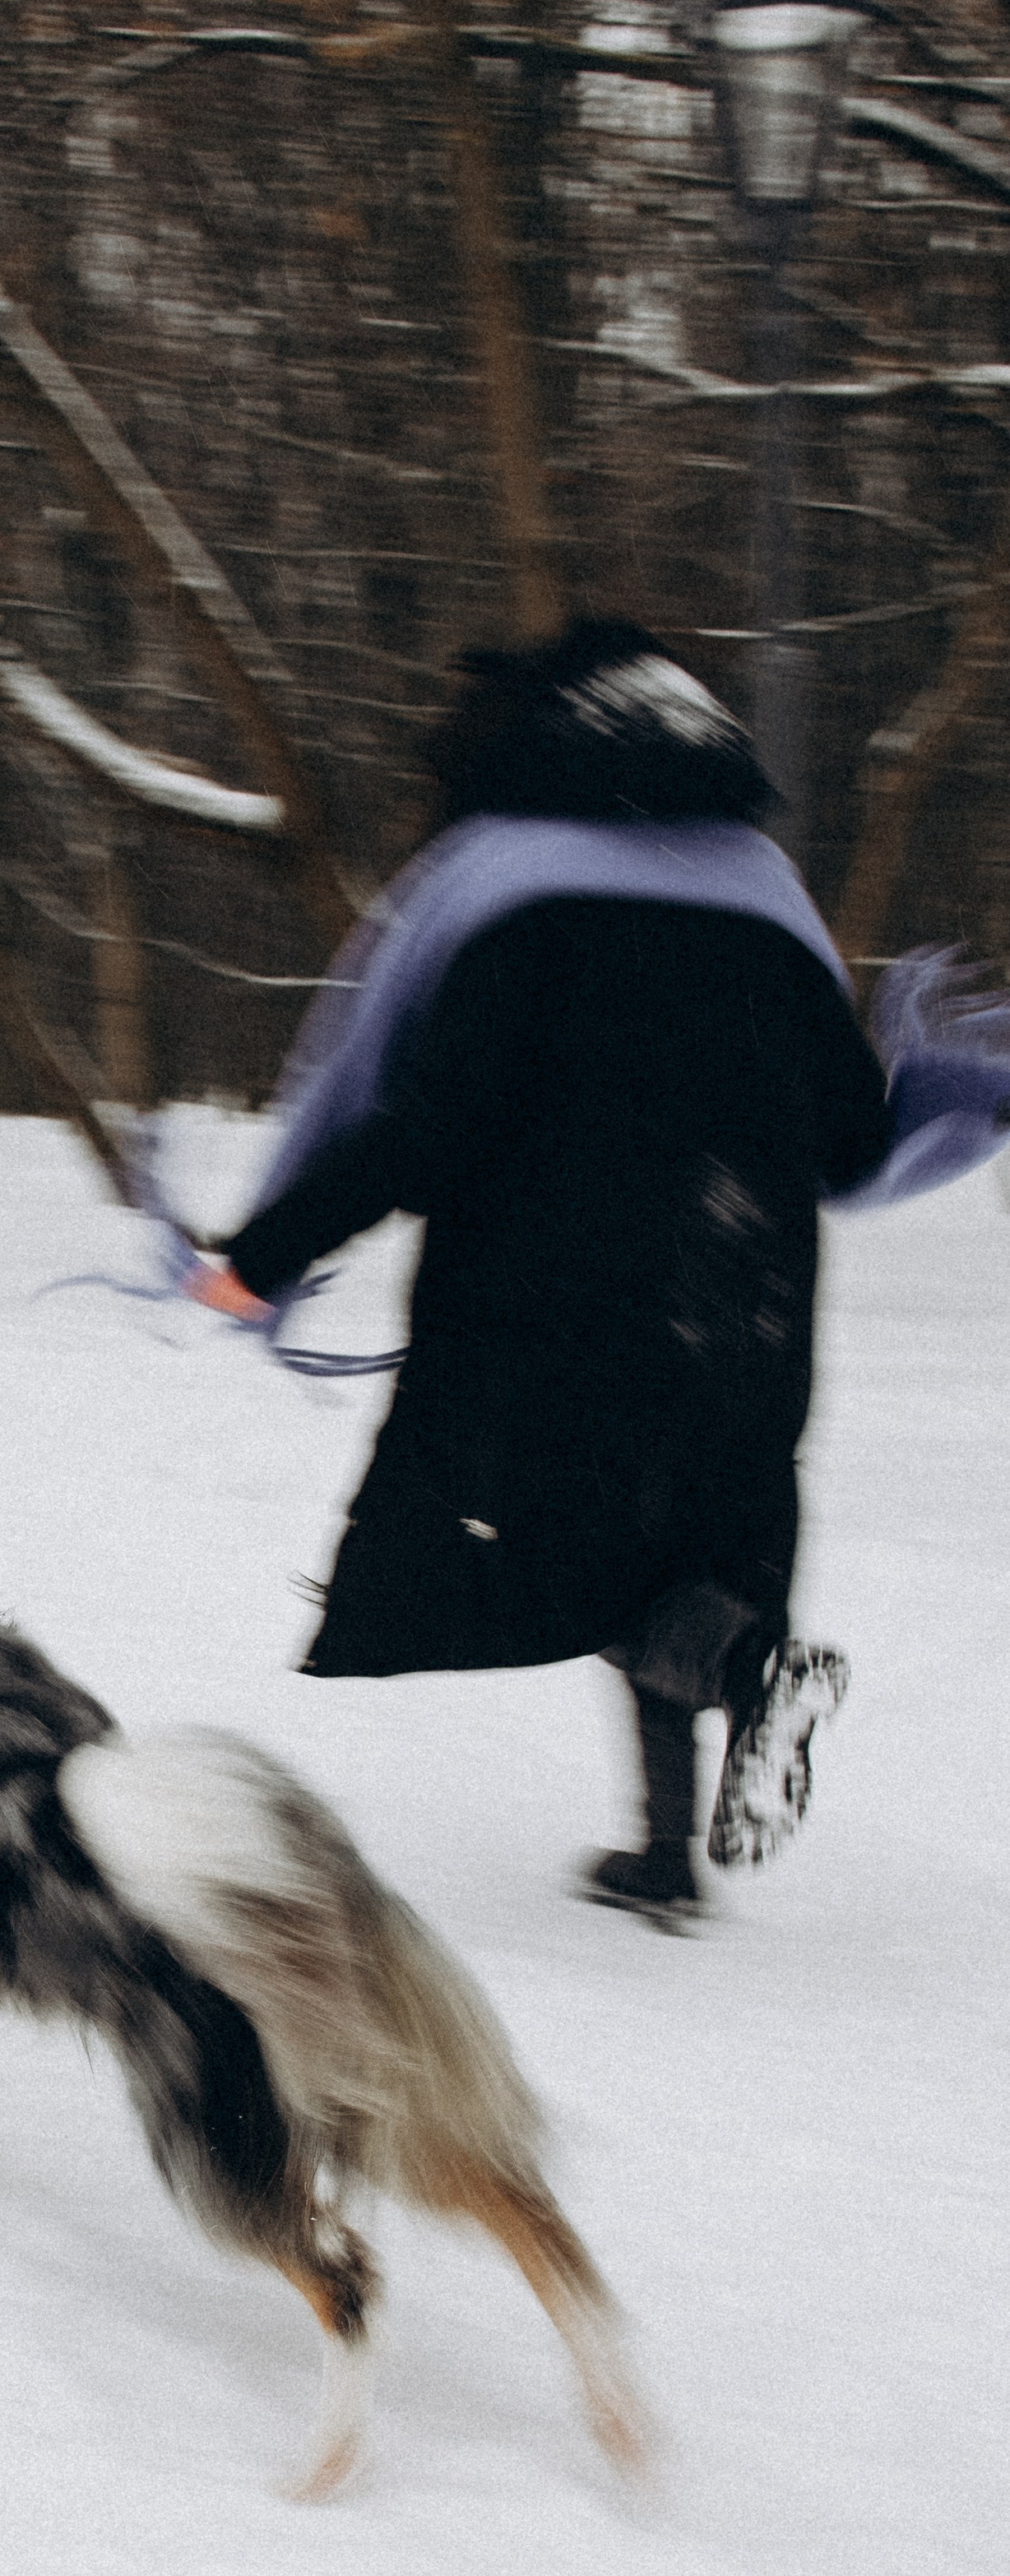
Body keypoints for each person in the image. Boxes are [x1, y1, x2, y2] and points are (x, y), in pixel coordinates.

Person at [192, 618, 901, 1925]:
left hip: (556, 1317)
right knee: (687, 1544)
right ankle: (665, 1852)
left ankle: (750, 1672)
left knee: (573, 1564)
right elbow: (854, 1132)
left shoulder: (515, 897)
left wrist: (264, 1255)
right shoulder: (766, 903)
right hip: (750, 1304)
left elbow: (429, 1127)